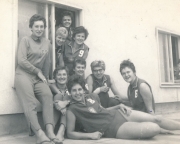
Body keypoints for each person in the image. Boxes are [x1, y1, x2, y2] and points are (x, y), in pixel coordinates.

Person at [66, 75, 180, 140]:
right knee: (154, 128)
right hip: (114, 128)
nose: (77, 93)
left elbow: (103, 111)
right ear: (70, 92)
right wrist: (90, 135)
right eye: (74, 90)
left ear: (83, 89)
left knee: (157, 118)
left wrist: (118, 105)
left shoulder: (92, 96)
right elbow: (70, 133)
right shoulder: (72, 109)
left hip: (119, 113)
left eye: (79, 89)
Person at [14, 14, 62, 144]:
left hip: (39, 77)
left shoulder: (47, 42)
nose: (39, 29)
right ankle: (39, 133)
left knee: (47, 95)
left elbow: (47, 62)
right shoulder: (25, 40)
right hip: (23, 75)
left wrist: (46, 78)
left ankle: (50, 130)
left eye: (42, 26)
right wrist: (37, 71)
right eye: (36, 26)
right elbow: (21, 60)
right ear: (31, 27)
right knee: (30, 103)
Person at [52, 67, 71, 143]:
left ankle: (61, 131)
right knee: (58, 96)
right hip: (54, 120)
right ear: (55, 77)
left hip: (67, 122)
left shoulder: (70, 88)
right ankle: (52, 130)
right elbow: (47, 104)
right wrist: (58, 105)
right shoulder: (51, 88)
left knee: (66, 96)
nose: (62, 77)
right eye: (59, 75)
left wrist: (65, 103)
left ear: (67, 76)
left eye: (64, 74)